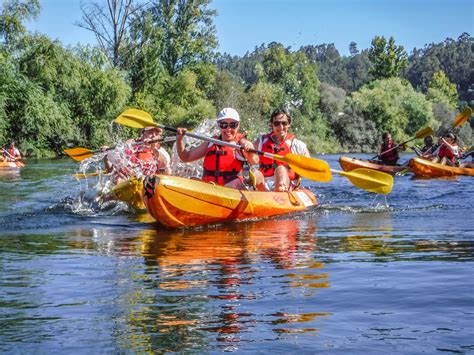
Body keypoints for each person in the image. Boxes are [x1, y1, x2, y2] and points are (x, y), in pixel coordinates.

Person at [175, 107, 256, 189]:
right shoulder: (210, 142)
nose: (228, 129)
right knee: (192, 180)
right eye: (224, 125)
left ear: (238, 125)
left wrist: (249, 152)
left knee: (230, 186)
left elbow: (255, 160)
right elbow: (186, 157)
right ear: (219, 125)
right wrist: (179, 140)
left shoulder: (241, 143)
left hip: (232, 190)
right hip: (211, 188)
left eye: (232, 125)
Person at [252, 108, 310, 192]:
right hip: (264, 184)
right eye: (277, 123)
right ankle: (262, 196)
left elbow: (308, 162)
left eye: (284, 123)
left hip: (286, 183)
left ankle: (279, 191)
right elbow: (249, 156)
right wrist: (245, 148)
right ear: (272, 125)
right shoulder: (261, 141)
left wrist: (303, 164)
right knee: (255, 172)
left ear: (289, 124)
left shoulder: (296, 144)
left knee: (280, 169)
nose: (281, 127)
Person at [104, 126, 171, 183]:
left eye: (156, 134)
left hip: (150, 183)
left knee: (168, 171)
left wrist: (152, 148)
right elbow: (113, 169)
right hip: (129, 180)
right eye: (150, 132)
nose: (153, 135)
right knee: (118, 177)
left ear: (159, 138)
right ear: (142, 134)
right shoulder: (131, 145)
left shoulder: (162, 152)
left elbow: (164, 165)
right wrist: (108, 155)